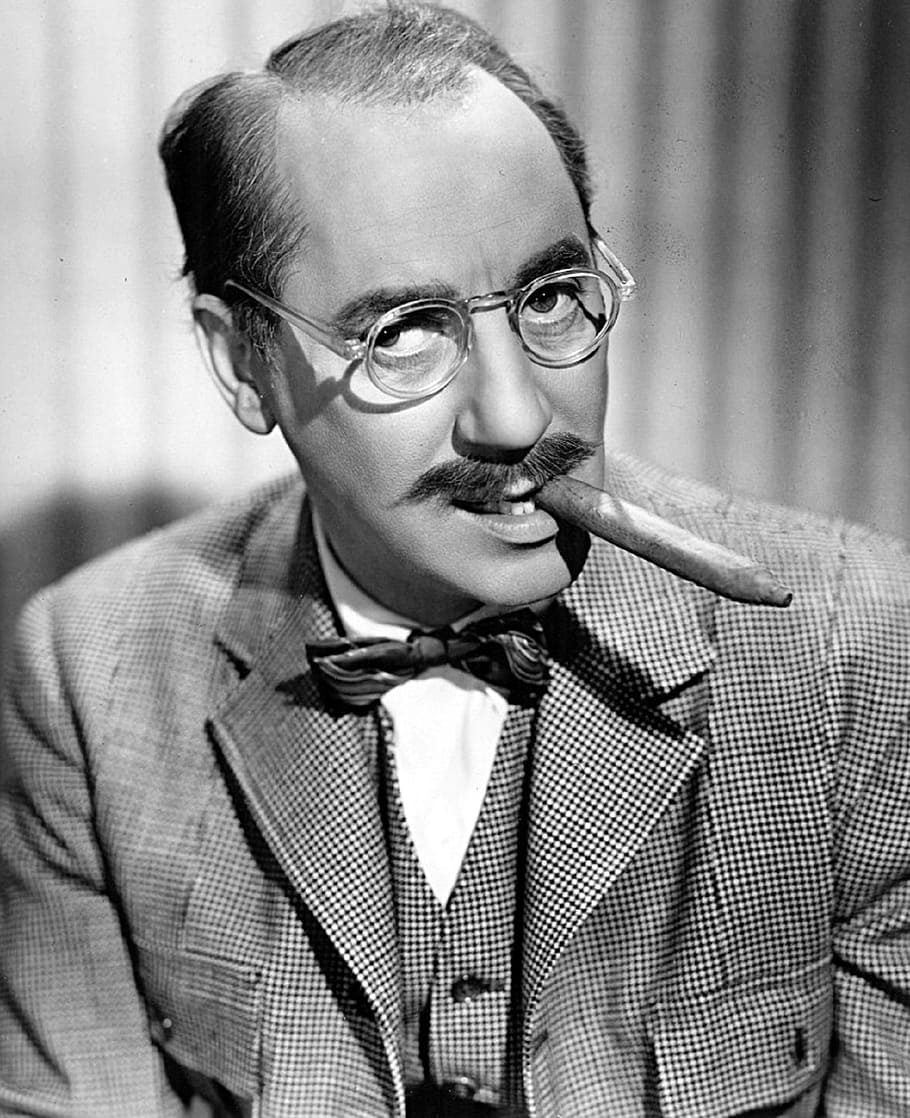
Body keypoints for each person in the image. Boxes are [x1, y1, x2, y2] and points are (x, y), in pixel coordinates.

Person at [1, 3, 909, 1116]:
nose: (518, 416)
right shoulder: (83, 673)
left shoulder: (856, 648)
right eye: (403, 331)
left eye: (549, 296)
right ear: (245, 364)